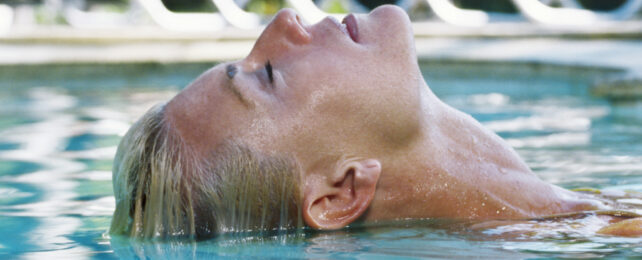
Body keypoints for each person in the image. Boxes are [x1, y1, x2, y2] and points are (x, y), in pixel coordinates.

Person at [110, 5, 641, 239]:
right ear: (340, 194)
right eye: (267, 75)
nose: (283, 21)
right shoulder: (613, 237)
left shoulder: (590, 218)